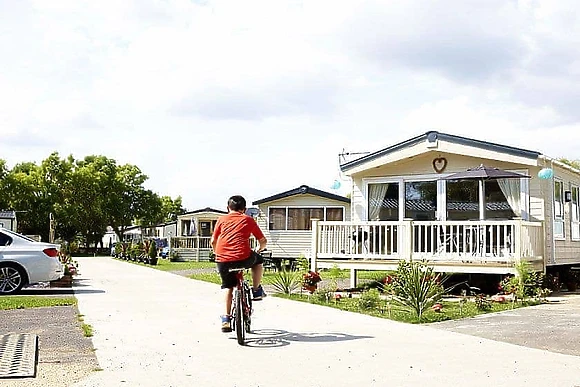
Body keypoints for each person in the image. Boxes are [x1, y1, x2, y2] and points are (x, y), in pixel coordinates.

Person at [211, 195, 267, 333]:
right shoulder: (248, 219)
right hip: (243, 257)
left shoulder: (221, 219)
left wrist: (217, 253)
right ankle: (256, 290)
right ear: (245, 209)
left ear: (227, 208)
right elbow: (263, 240)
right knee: (258, 261)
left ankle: (225, 318)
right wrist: (258, 249)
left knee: (229, 286)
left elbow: (213, 240)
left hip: (223, 260)